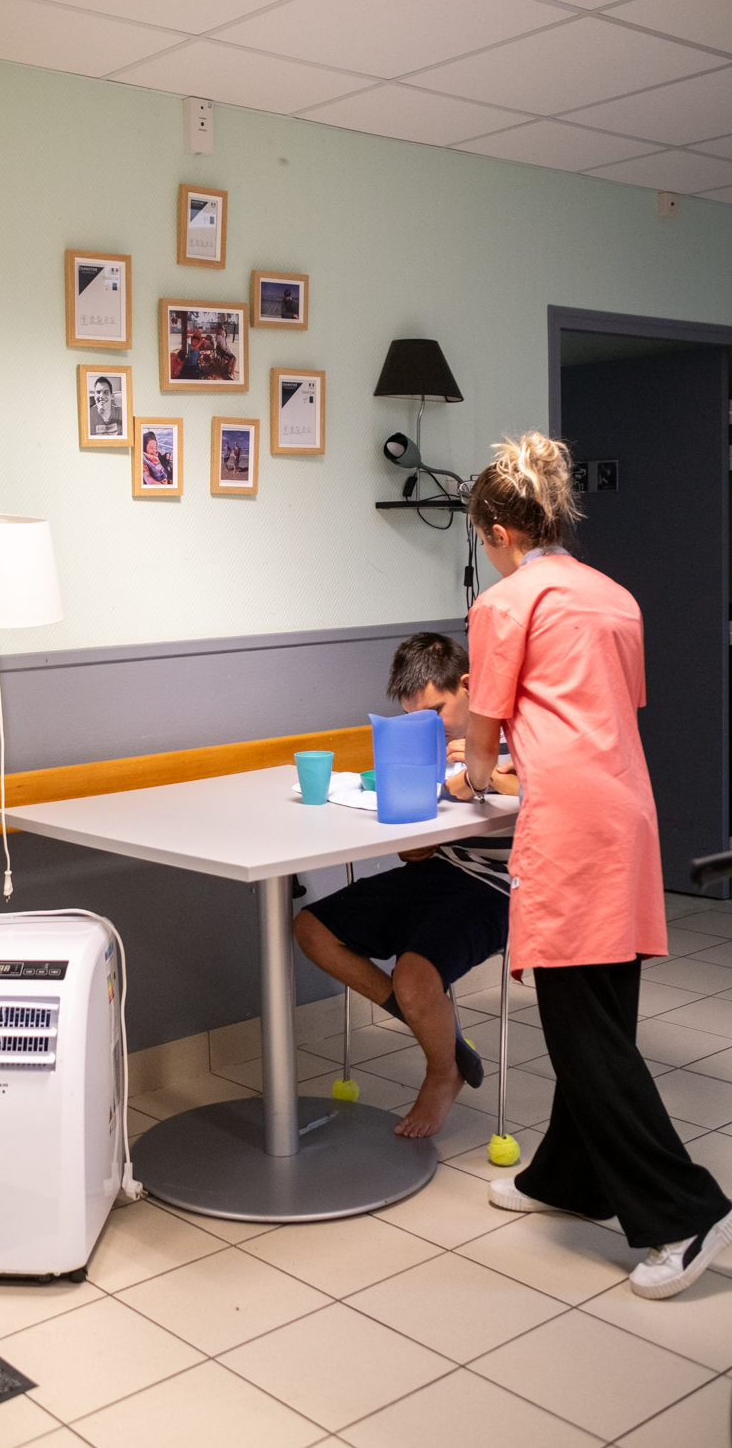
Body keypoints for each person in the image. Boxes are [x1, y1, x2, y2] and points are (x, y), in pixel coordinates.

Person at [462, 431, 732, 1299]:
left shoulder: (507, 603)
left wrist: (469, 777)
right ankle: (569, 1179)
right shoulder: (615, 596)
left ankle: (685, 1211)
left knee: (583, 1032)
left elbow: (485, 736)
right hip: (626, 810)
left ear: (499, 532)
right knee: (604, 1011)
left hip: (572, 827)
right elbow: (600, 711)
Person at [294, 632, 518, 1139]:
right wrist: (416, 840)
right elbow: (427, 830)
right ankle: (434, 1030)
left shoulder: (516, 730)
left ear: (468, 685)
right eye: (414, 717)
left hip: (500, 884)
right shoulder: (428, 745)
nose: (429, 726)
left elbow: (549, 791)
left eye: (436, 711)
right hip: (443, 869)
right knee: (311, 929)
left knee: (415, 977)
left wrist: (483, 775)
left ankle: (442, 1070)